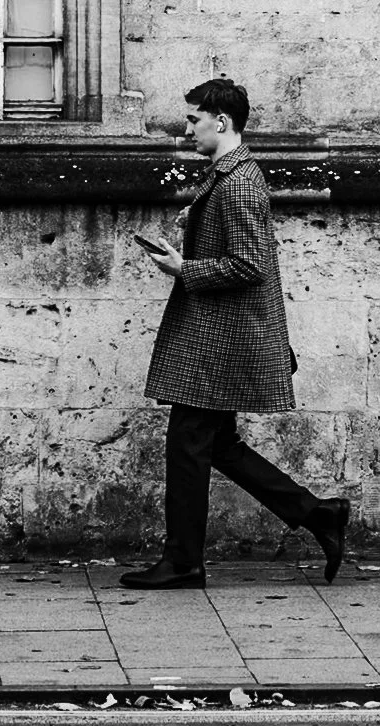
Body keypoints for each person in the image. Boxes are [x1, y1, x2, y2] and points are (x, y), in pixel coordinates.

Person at [123, 77, 349, 589]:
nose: (187, 129)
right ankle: (320, 515)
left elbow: (248, 265)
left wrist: (185, 269)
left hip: (220, 342)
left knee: (187, 443)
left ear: (220, 121)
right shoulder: (226, 176)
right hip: (219, 337)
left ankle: (183, 561)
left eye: (193, 119)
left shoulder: (240, 181)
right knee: (215, 445)